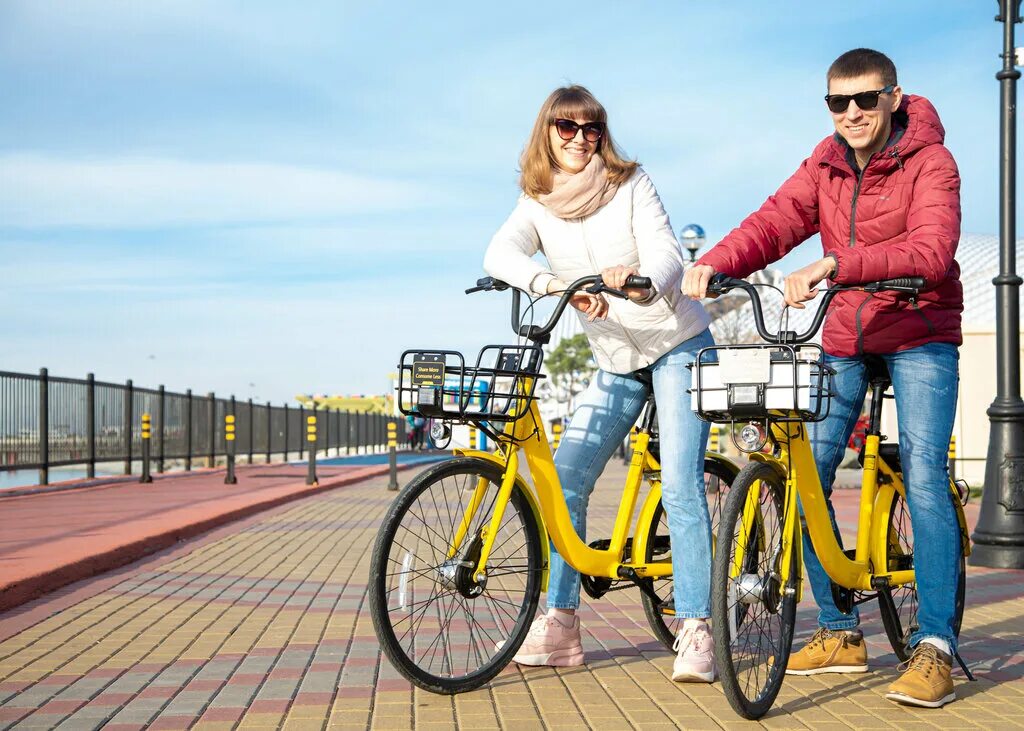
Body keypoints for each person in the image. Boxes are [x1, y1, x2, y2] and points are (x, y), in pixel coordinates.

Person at [683, 49, 963, 708]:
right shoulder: (827, 163)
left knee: (923, 470)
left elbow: (931, 249)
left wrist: (837, 264)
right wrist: (715, 266)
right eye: (839, 102)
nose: (853, 113)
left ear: (894, 97)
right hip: (843, 336)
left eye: (867, 99)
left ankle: (936, 646)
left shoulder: (932, 162)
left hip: (921, 333)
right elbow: (776, 220)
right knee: (805, 460)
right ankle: (839, 629)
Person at [484, 85, 716, 682]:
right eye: (568, 128)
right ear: (548, 132)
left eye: (593, 128)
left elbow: (666, 250)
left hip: (676, 344)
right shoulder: (537, 199)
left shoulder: (631, 183)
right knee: (567, 478)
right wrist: (545, 284)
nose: (582, 139)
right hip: (616, 357)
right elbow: (500, 252)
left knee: (683, 485)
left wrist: (640, 280)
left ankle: (696, 628)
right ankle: (560, 625)